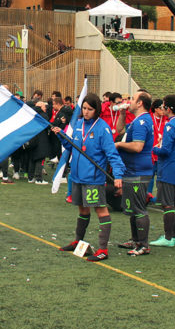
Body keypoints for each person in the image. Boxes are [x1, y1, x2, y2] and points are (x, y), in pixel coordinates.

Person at [55, 93, 125, 262]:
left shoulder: (103, 128)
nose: (86, 112)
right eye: (84, 108)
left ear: (97, 110)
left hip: (93, 179)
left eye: (90, 109)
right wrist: (61, 135)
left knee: (101, 210)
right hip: (77, 177)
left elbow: (112, 154)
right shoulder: (79, 124)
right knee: (82, 209)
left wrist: (118, 175)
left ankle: (103, 249)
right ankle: (77, 241)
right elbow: (72, 147)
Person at [113, 91, 155, 255]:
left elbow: (137, 147)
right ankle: (135, 240)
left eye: (132, 99)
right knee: (133, 208)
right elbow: (119, 129)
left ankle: (143, 244)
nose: (128, 101)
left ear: (140, 103)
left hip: (138, 171)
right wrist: (122, 114)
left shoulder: (141, 122)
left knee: (138, 209)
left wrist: (118, 146)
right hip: (133, 170)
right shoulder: (138, 121)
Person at [149, 94, 175, 247]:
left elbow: (165, 150)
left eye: (163, 106)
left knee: (168, 205)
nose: (162, 108)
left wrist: (154, 148)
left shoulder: (170, 125)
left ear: (168, 108)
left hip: (168, 169)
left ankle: (167, 238)